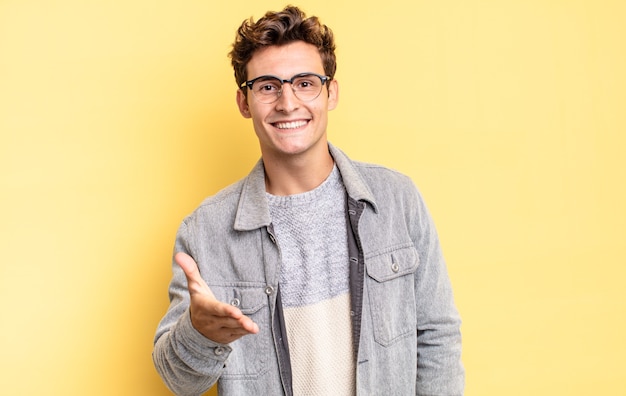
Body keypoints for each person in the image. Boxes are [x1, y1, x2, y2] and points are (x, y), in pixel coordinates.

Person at [153, 5, 464, 396]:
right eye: (267, 86)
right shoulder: (204, 232)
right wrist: (199, 333)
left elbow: (437, 336)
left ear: (330, 93)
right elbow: (178, 382)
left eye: (304, 83)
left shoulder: (397, 200)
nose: (287, 103)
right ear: (244, 103)